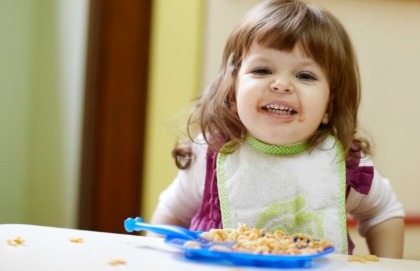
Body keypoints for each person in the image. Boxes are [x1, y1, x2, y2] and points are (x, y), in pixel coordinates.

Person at [149, 0, 405, 258]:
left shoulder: (344, 163)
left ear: (330, 105)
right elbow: (171, 214)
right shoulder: (212, 153)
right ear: (233, 91)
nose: (281, 84)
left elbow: (384, 212)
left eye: (305, 76)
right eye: (262, 70)